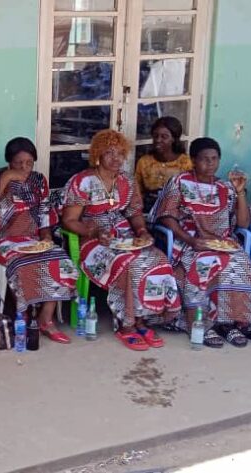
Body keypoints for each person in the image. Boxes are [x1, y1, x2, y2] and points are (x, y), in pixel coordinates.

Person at [60, 130, 179, 351]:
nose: (116, 158)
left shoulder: (127, 181)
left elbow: (134, 212)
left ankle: (143, 320)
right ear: (98, 155)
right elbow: (69, 221)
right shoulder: (83, 181)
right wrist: (93, 232)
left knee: (158, 259)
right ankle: (126, 325)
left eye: (120, 153)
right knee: (127, 265)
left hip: (124, 235)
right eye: (109, 153)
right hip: (93, 239)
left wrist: (142, 231)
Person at [153, 138, 251, 348]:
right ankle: (201, 323)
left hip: (222, 242)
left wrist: (240, 192)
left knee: (238, 262)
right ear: (193, 160)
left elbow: (243, 223)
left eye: (214, 159)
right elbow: (166, 216)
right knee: (205, 263)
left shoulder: (225, 187)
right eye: (205, 159)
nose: (210, 163)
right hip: (188, 242)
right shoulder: (180, 182)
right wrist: (191, 240)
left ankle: (228, 322)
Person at [0, 138, 76, 343]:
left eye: (29, 163)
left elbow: (44, 211)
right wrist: (6, 178)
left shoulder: (38, 180)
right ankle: (23, 316)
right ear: (9, 161)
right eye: (18, 163)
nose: (24, 167)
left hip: (32, 238)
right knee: (21, 264)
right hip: (3, 238)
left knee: (61, 261)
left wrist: (46, 235)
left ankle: (46, 319)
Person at [134, 117, 193, 212]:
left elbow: (190, 194)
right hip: (148, 209)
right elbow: (137, 192)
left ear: (173, 139)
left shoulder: (185, 163)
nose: (158, 140)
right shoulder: (144, 162)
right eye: (155, 136)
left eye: (164, 137)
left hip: (176, 210)